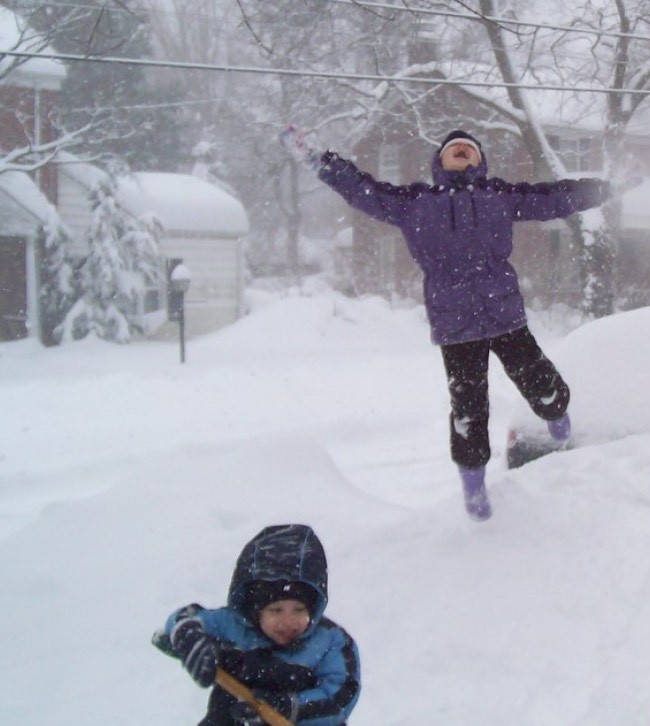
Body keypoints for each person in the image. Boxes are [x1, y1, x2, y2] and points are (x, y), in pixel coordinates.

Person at [301, 129, 611, 521]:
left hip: (503, 314)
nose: (461, 150)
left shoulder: (498, 196)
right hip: (456, 324)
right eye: (453, 149)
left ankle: (557, 417)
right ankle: (473, 482)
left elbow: (553, 198)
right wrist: (323, 162)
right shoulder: (415, 204)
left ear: (480, 162)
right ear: (439, 163)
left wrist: (605, 189)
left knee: (537, 376)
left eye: (469, 149)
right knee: (468, 408)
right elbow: (363, 190)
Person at [155, 524, 360, 725]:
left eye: (299, 609)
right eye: (276, 610)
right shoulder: (235, 625)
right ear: (256, 609)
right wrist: (187, 636)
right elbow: (186, 619)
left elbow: (340, 697)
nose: (288, 622)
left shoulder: (330, 641)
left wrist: (287, 707)